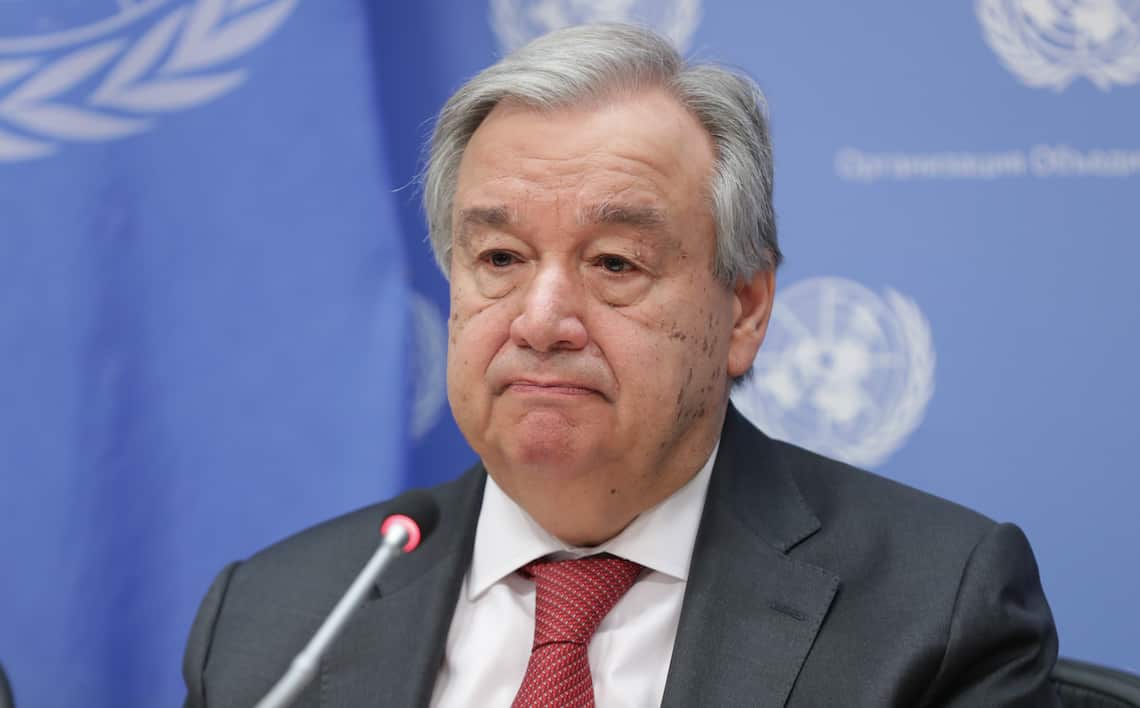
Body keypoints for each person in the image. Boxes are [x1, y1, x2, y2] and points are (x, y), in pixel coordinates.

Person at [182, 23, 1060, 707]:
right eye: (499, 259)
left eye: (613, 263)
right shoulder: (272, 622)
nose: (541, 321)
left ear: (745, 309)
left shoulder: (937, 613)